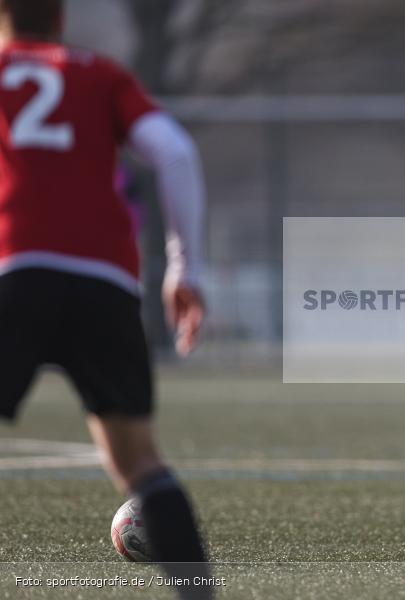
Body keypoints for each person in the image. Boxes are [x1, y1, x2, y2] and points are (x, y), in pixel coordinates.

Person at [0, 0, 211, 595]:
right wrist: (185, 269)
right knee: (139, 461)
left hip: (15, 271)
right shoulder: (100, 75)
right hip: (106, 284)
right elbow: (175, 153)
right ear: (60, 18)